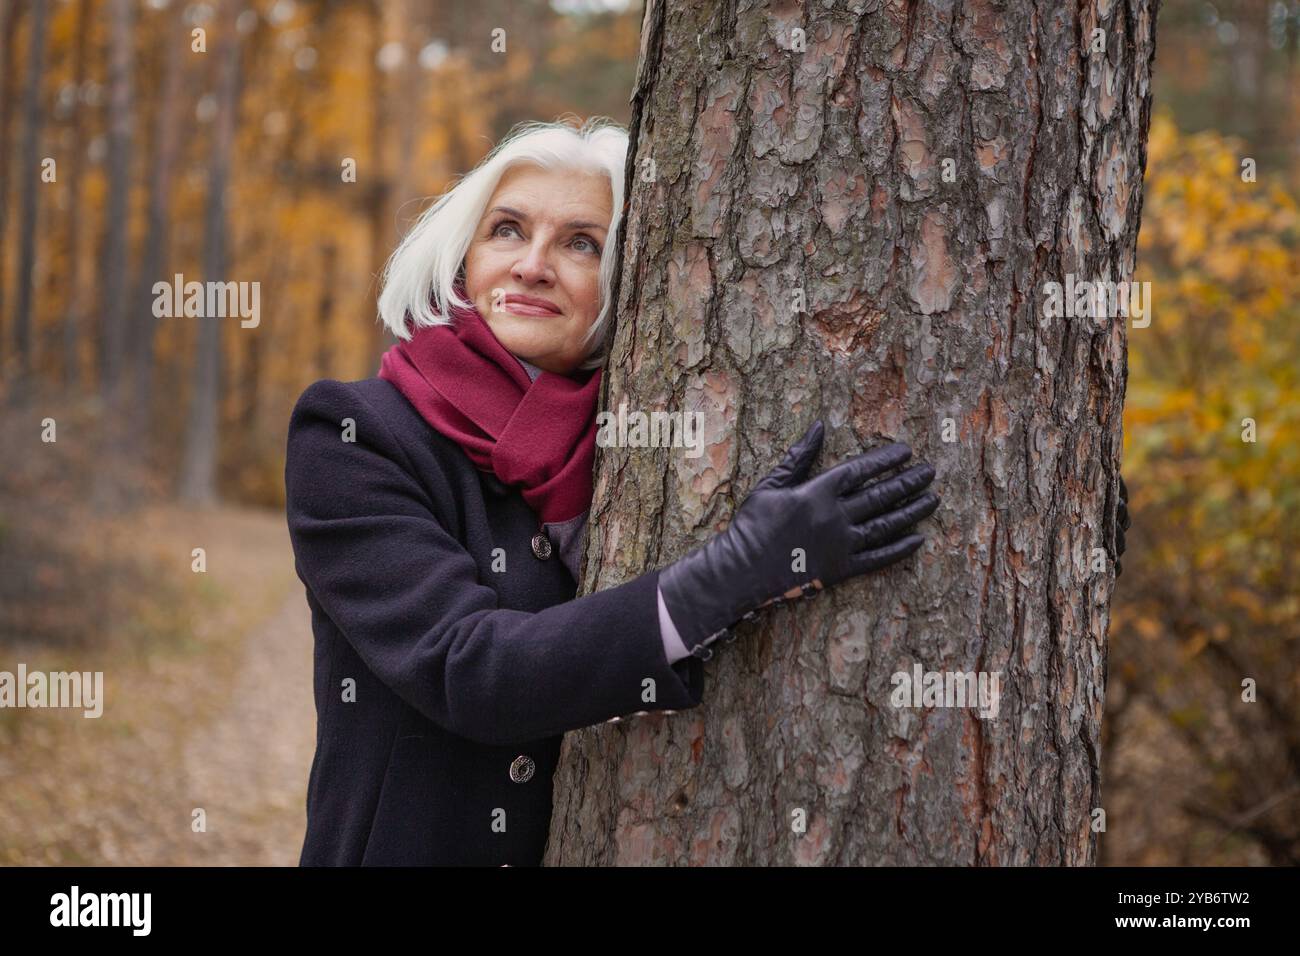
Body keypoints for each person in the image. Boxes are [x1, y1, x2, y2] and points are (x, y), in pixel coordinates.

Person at [284, 117, 940, 866]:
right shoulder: (354, 433)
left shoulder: (639, 445)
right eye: (507, 230)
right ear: (463, 259)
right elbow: (470, 668)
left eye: (580, 243)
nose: (532, 265)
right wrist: (736, 573)